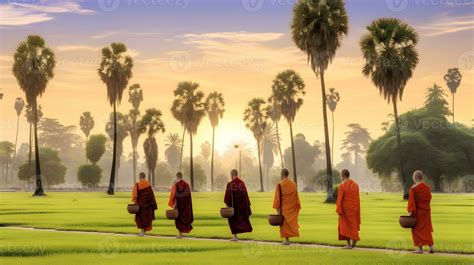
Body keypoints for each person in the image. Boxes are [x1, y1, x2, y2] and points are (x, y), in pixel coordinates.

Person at [407, 170, 434, 254]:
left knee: (416, 230)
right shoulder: (427, 188)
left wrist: (410, 212)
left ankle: (420, 248)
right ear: (421, 177)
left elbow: (411, 202)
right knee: (426, 229)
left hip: (418, 213)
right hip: (426, 212)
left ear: (414, 178)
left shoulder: (413, 189)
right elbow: (429, 198)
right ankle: (431, 247)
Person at [273, 168, 301, 245]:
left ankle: (286, 240)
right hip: (292, 207)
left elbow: (277, 198)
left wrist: (277, 208)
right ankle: (287, 239)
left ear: (282, 175)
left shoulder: (279, 185)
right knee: (290, 223)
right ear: (287, 174)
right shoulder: (293, 184)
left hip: (284, 208)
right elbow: (296, 197)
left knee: (284, 224)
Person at [224, 169, 252, 241]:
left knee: (232, 221)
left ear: (231, 175)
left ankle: (235, 236)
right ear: (237, 174)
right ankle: (235, 236)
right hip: (241, 207)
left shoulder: (230, 184)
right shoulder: (242, 183)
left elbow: (228, 197)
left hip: (233, 208)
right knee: (242, 220)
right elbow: (245, 195)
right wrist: (246, 206)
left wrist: (227, 205)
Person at [335, 169, 361, 249]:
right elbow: (357, 198)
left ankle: (349, 244)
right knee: (353, 225)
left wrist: (338, 210)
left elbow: (339, 200)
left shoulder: (342, 186)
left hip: (345, 210)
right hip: (354, 209)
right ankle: (354, 238)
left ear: (343, 176)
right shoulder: (355, 185)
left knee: (345, 227)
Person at [168, 172, 193, 239]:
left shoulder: (175, 185)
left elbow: (174, 196)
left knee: (178, 220)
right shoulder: (187, 185)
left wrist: (174, 206)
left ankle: (180, 234)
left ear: (177, 177)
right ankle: (181, 234)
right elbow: (188, 196)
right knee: (183, 219)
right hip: (186, 207)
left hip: (178, 206)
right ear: (182, 176)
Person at [131, 172, 157, 236]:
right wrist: (152, 205)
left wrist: (135, 204)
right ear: (144, 177)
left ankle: (142, 232)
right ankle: (143, 232)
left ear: (140, 177)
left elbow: (135, 195)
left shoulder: (137, 184)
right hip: (147, 205)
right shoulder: (148, 184)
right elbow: (152, 195)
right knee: (146, 218)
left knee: (140, 219)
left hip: (140, 205)